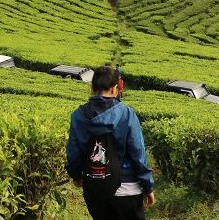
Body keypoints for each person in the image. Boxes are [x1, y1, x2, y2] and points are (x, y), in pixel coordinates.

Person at [66, 66, 155, 220]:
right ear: (115, 89)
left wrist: (75, 175)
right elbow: (138, 153)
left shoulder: (79, 115)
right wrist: (147, 186)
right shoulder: (127, 114)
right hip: (128, 189)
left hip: (95, 187)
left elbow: (74, 151)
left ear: (92, 88)